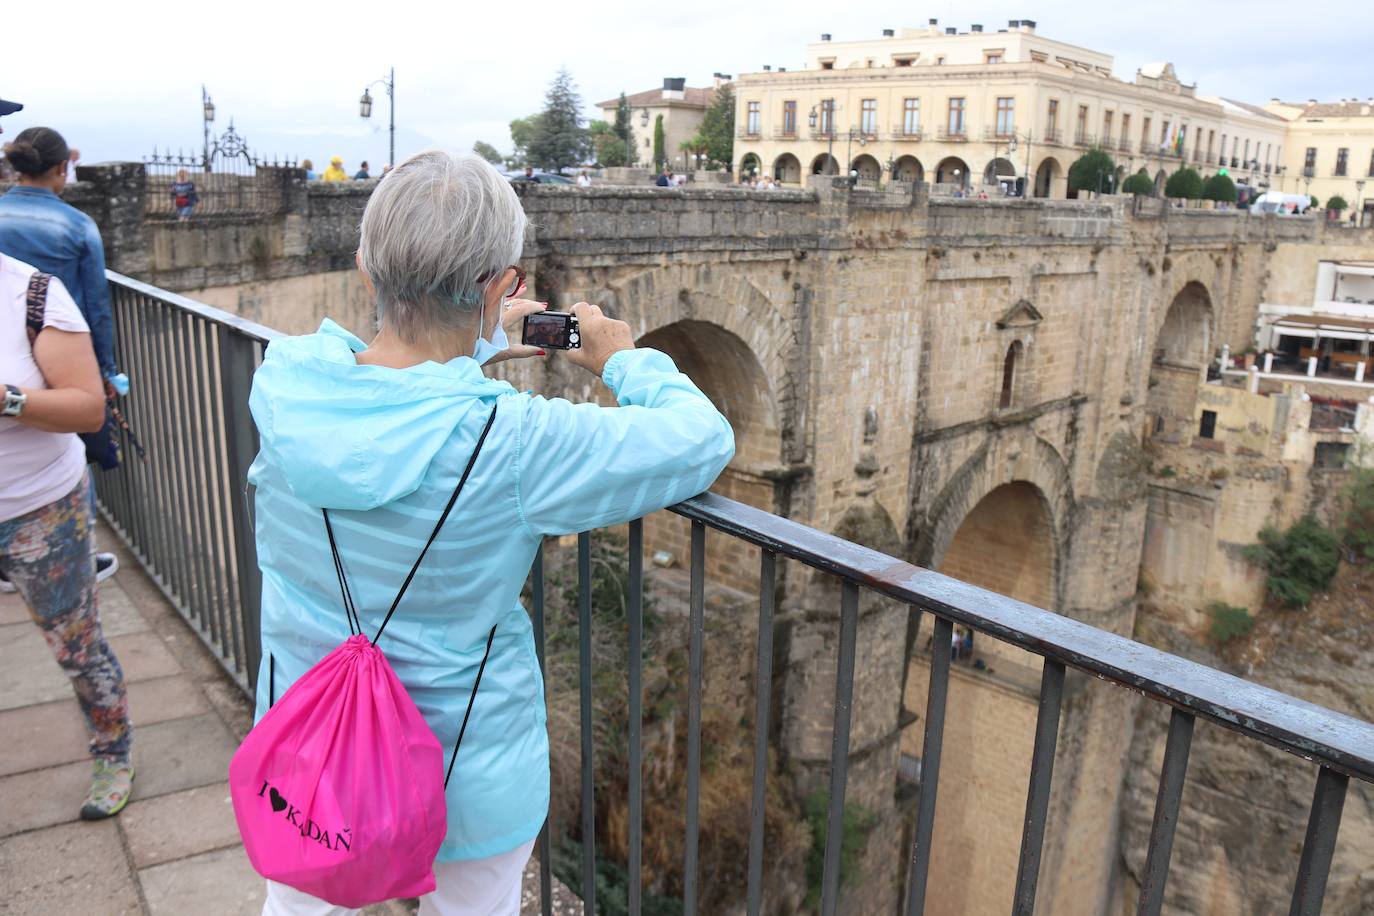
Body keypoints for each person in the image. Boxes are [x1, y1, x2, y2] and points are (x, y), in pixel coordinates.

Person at [246, 150, 734, 914]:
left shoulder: (285, 385)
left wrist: (473, 333)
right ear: (501, 285)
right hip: (461, 768)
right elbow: (700, 439)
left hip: (308, 742)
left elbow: (387, 384)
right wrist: (622, 359)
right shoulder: (511, 442)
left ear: (368, 273)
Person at [0, 252, 134, 819]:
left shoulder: (30, 294)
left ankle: (113, 752)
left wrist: (8, 400)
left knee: (76, 645)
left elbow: (87, 407)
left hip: (38, 509)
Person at [0, 127, 121, 591]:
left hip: (10, 356)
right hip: (59, 352)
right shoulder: (74, 225)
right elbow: (95, 305)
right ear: (60, 169)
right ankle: (78, 556)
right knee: (67, 455)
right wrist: (106, 370)